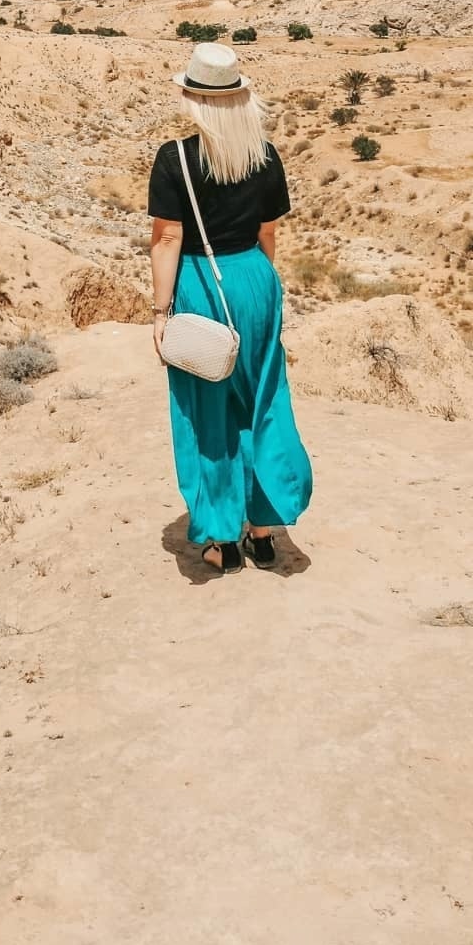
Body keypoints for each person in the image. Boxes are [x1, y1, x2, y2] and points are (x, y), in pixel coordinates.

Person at [148, 42, 313, 573]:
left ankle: (222, 537)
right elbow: (268, 234)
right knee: (264, 399)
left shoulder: (174, 157)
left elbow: (168, 239)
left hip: (201, 285)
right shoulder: (264, 156)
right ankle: (264, 529)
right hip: (255, 280)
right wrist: (260, 291)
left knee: (206, 411)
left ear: (193, 101)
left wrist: (160, 311)